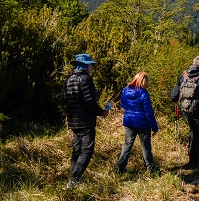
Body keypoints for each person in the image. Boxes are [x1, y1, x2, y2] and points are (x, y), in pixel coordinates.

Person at [64, 53, 109, 189]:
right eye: (90, 65)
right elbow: (89, 102)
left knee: (77, 150)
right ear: (85, 66)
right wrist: (102, 112)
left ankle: (74, 178)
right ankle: (74, 180)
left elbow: (71, 99)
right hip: (85, 121)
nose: (91, 67)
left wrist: (93, 94)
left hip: (73, 120)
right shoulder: (86, 79)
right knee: (87, 150)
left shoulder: (69, 79)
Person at [170, 55, 199, 169]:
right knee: (198, 135)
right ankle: (193, 160)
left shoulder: (183, 75)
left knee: (192, 132)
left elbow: (173, 95)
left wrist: (176, 102)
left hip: (186, 110)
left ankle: (192, 157)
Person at [116, 71, 159, 174]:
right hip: (142, 124)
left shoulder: (125, 90)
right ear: (144, 81)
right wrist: (154, 127)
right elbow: (148, 113)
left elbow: (123, 105)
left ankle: (120, 168)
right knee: (146, 147)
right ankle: (150, 168)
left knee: (127, 145)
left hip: (129, 122)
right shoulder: (144, 93)